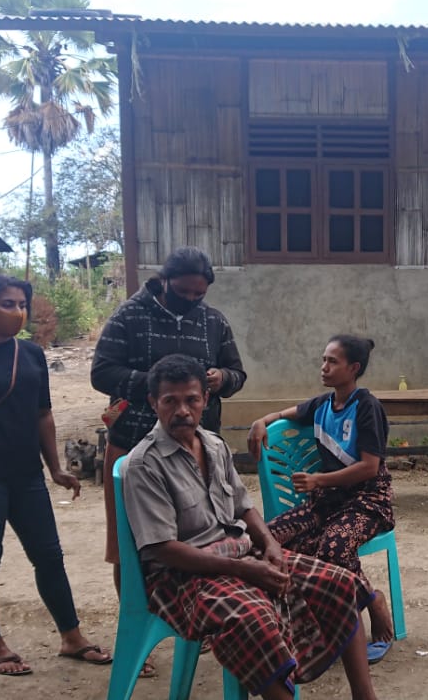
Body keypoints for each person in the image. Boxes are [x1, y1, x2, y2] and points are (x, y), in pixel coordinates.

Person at [122, 354, 379, 700]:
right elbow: (161, 549)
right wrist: (245, 570)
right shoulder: (144, 464)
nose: (182, 410)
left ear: (205, 400)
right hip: (180, 577)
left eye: (191, 400)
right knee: (252, 619)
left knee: (339, 582)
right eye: (170, 401)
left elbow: (244, 506)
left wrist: (271, 546)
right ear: (154, 403)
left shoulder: (213, 445)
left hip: (239, 553)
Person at [0, 274, 111, 676]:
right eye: (8, 304)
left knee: (49, 557)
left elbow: (43, 415)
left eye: (21, 304)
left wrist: (55, 469)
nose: (18, 312)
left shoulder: (31, 355)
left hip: (26, 476)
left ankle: (72, 636)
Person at [92, 247, 246, 678]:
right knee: (132, 547)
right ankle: (136, 633)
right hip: (134, 448)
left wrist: (221, 380)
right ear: (164, 283)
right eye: (184, 293)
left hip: (196, 453)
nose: (193, 301)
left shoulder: (213, 320)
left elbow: (238, 373)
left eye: (200, 294)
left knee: (206, 537)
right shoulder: (130, 317)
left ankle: (210, 621)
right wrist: (167, 385)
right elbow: (101, 373)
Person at [247, 335, 395, 662]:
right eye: (323, 359)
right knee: (266, 539)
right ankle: (304, 621)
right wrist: (262, 421)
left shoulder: (367, 407)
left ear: (353, 368)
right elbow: (291, 411)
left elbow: (370, 467)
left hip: (366, 502)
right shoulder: (323, 404)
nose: (323, 367)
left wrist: (318, 480)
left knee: (334, 547)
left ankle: (373, 603)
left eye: (332, 361)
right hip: (326, 503)